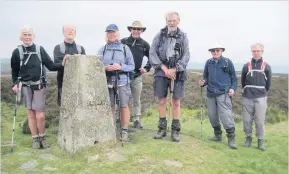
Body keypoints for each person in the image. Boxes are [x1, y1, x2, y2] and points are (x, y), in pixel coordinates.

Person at [10, 25, 68, 149]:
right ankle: (35, 139)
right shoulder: (17, 52)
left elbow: (51, 65)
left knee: (40, 115)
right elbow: (14, 71)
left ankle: (42, 136)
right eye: (25, 34)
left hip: (39, 85)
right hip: (25, 86)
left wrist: (63, 64)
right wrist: (15, 84)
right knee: (30, 114)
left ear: (32, 36)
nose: (27, 37)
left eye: (29, 34)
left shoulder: (39, 49)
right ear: (21, 36)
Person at [149, 11, 190, 142]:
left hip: (178, 72)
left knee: (176, 102)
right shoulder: (159, 36)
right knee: (162, 101)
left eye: (174, 20)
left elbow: (186, 56)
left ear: (178, 21)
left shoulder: (183, 37)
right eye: (169, 20)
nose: (171, 23)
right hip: (161, 71)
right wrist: (164, 68)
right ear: (166, 21)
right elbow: (152, 53)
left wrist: (175, 69)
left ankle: (175, 131)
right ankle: (161, 129)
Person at [97, 24, 135, 142]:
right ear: (106, 34)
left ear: (117, 33)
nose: (111, 34)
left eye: (113, 32)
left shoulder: (125, 48)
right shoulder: (102, 49)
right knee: (110, 107)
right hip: (107, 82)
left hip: (122, 82)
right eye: (109, 32)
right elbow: (97, 66)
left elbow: (132, 66)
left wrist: (120, 66)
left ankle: (124, 131)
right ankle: (111, 131)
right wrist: (105, 68)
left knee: (124, 106)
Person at [199, 41, 238, 149]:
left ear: (222, 51)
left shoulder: (227, 62)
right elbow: (205, 77)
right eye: (213, 50)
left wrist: (233, 89)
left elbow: (234, 79)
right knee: (212, 116)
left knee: (226, 116)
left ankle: (231, 138)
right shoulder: (208, 62)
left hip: (223, 93)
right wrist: (203, 82)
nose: (215, 52)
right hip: (210, 93)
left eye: (217, 50)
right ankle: (218, 135)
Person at [241, 43, 272, 151]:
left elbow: (268, 84)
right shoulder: (246, 65)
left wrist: (262, 93)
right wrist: (246, 91)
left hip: (260, 97)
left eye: (258, 51)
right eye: (254, 51)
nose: (256, 53)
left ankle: (260, 141)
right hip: (247, 97)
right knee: (246, 120)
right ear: (252, 52)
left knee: (259, 120)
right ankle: (248, 138)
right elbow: (243, 81)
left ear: (262, 52)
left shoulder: (266, 66)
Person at [120, 21, 151, 129]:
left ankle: (136, 120)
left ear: (141, 31)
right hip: (124, 76)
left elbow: (152, 57)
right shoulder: (123, 41)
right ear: (130, 30)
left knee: (136, 99)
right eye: (134, 29)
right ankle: (124, 120)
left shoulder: (144, 44)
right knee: (124, 99)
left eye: (139, 29)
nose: (136, 31)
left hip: (137, 76)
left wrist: (146, 68)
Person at [53, 24, 86, 106]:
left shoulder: (80, 48)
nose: (70, 31)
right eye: (68, 29)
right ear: (63, 33)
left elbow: (85, 65)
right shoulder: (58, 48)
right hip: (63, 84)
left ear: (75, 33)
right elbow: (57, 64)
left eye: (72, 30)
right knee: (64, 109)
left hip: (79, 85)